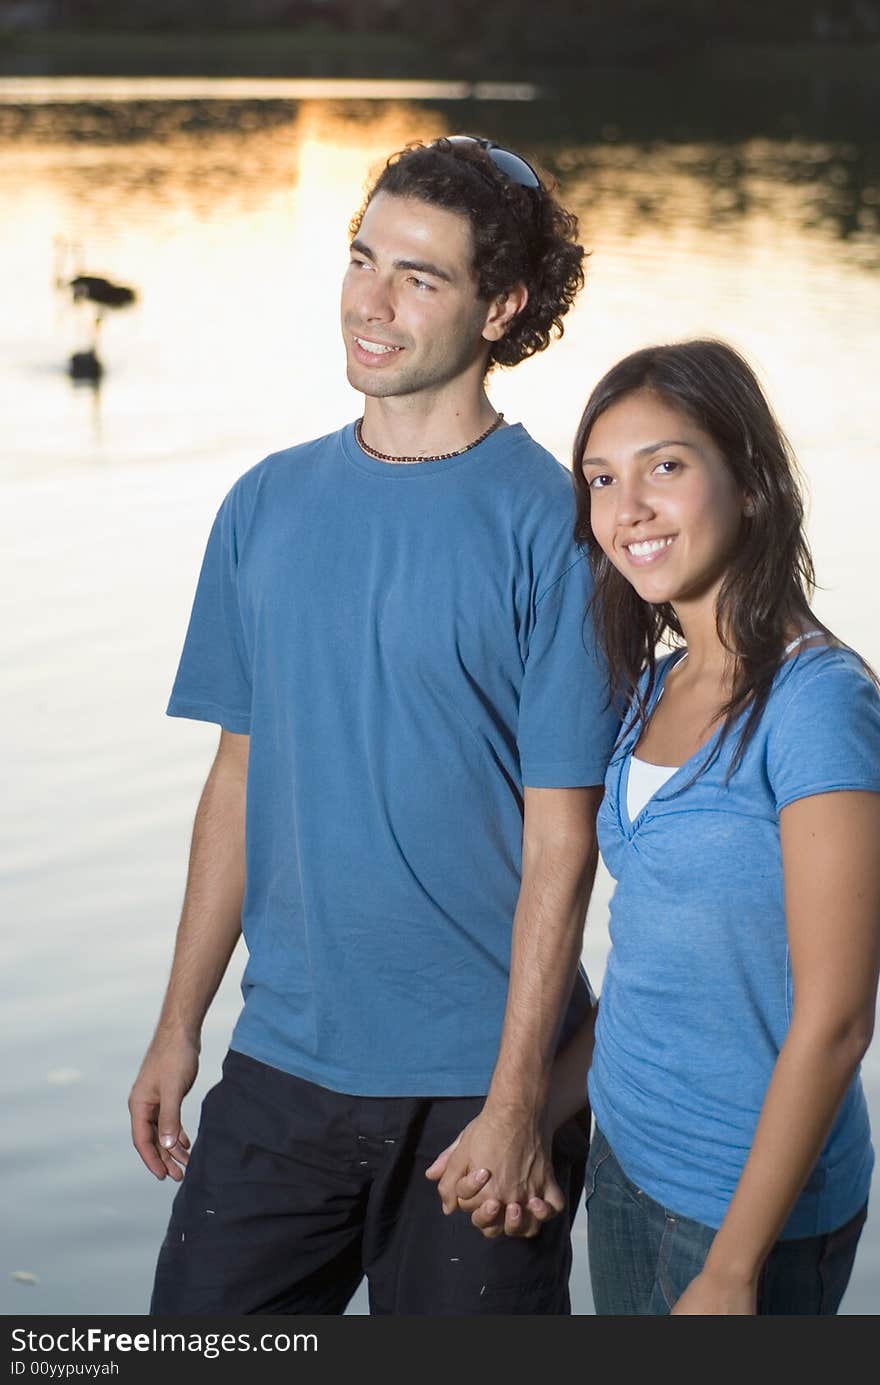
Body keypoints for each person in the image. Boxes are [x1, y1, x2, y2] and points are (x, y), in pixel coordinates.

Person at [128, 135, 619, 1316]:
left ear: (500, 307)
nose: (371, 302)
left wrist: (517, 1105)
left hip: (478, 1090)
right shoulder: (264, 505)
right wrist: (176, 1025)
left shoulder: (554, 528)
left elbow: (564, 837)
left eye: (419, 276)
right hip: (282, 1065)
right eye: (362, 258)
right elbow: (237, 782)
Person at [438, 339, 880, 1314]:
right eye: (601, 478)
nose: (625, 506)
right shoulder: (651, 684)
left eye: (664, 466)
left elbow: (838, 1018)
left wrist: (731, 1267)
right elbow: (652, 964)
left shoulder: (815, 708)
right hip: (626, 1160)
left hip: (747, 1215)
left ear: (752, 483)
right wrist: (529, 1115)